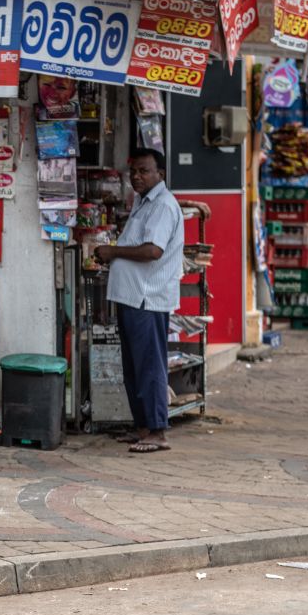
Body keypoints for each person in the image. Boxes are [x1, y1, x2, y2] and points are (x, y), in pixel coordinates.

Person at [94, 148, 183, 454]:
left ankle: (157, 432)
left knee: (149, 365)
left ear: (161, 174)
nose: (137, 176)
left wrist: (112, 252)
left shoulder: (162, 205)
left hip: (148, 297)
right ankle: (143, 427)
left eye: (144, 171)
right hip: (132, 296)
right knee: (133, 366)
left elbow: (152, 251)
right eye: (134, 171)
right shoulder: (145, 202)